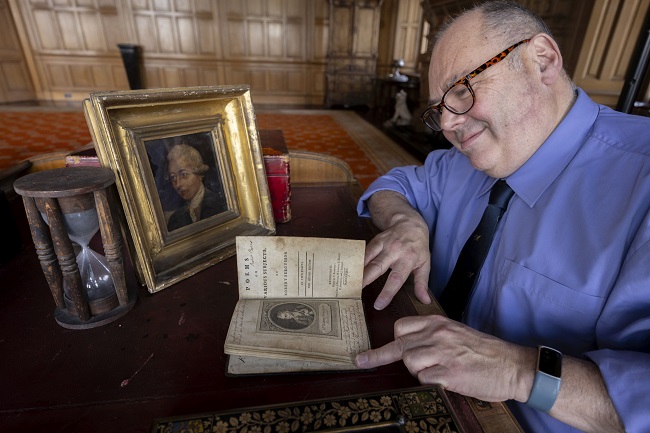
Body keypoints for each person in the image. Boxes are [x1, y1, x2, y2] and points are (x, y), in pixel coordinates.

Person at [355, 2, 650, 432]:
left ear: (542, 60)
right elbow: (391, 185)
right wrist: (405, 222)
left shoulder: (641, 180)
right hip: (420, 391)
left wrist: (517, 369)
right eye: (440, 107)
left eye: (462, 89)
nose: (451, 125)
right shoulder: (462, 162)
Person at [166, 144, 227, 231]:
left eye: (184, 175)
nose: (178, 184)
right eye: (173, 177)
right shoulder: (175, 220)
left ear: (200, 174)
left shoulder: (222, 206)